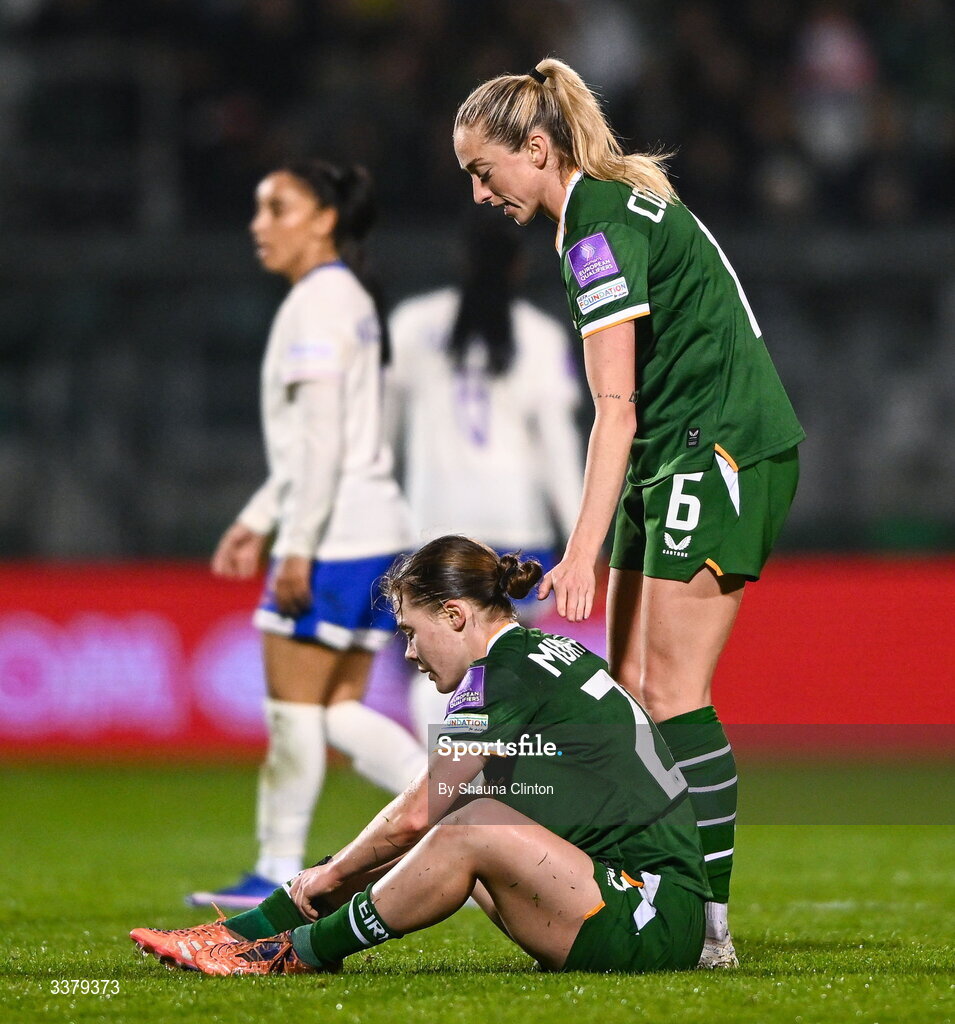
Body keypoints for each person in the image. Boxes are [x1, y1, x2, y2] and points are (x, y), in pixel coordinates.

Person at [452, 58, 806, 967]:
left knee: (673, 692)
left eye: (483, 171)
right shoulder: (607, 205)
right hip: (675, 448)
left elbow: (615, 406)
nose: (479, 192)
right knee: (637, 692)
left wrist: (581, 553)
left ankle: (707, 925)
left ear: (536, 148)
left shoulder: (594, 233)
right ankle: (660, 887)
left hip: (716, 446)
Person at [131, 536, 709, 976]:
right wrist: (328, 878)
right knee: (459, 820)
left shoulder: (500, 674)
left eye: (411, 630)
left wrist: (332, 872)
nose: (408, 651)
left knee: (464, 824)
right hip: (631, 894)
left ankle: (290, 955)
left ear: (455, 615)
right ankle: (239, 935)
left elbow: (418, 813)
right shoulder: (537, 653)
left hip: (647, 915)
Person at [188, 159, 424, 911]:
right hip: (373, 526)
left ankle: (275, 867)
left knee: (293, 712)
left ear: (323, 218)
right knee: (335, 710)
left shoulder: (317, 306)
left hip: (333, 535)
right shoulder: (346, 297)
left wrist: (294, 543)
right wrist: (257, 519)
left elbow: (319, 442)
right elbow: (331, 441)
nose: (259, 224)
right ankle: (456, 799)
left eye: (277, 208)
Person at [386, 211, 583, 739]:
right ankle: (506, 791)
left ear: (460, 261)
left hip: (435, 529)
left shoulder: (412, 324)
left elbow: (380, 433)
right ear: (519, 268)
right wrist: (585, 536)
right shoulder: (540, 337)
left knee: (434, 667)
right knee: (507, 664)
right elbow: (558, 446)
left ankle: (443, 785)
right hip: (516, 530)